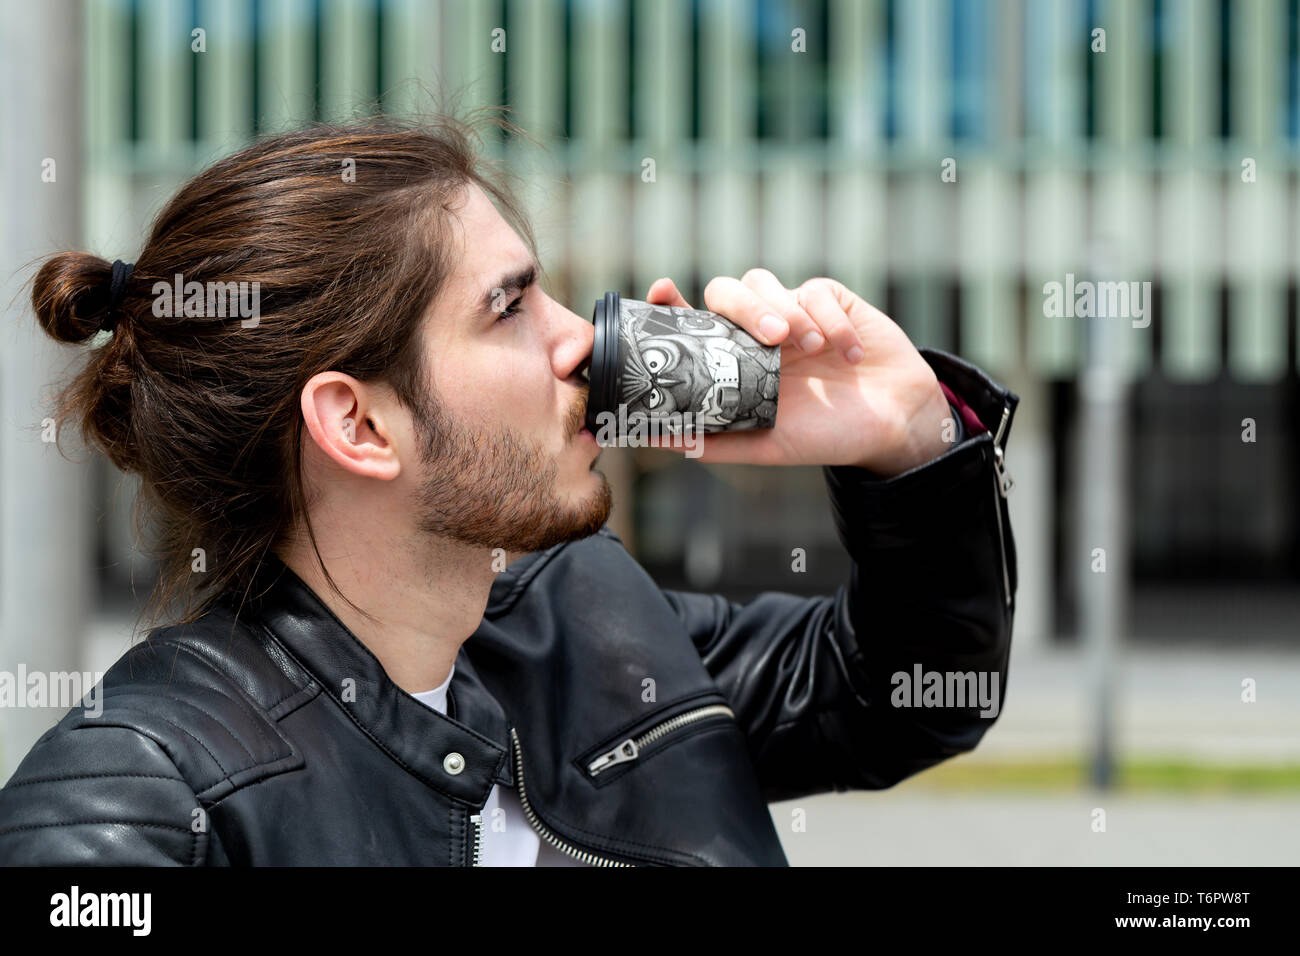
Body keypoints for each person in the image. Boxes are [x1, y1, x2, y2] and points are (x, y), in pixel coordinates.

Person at [0, 114, 1018, 866]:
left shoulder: (583, 616)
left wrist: (905, 435)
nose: (584, 334)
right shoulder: (135, 801)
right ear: (357, 423)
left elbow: (897, 697)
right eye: (511, 306)